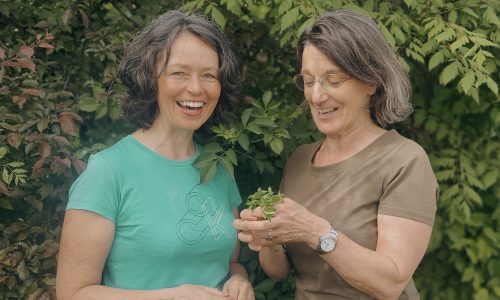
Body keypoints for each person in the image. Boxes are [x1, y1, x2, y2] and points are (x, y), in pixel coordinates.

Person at [234, 9, 438, 300]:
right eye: (308, 80)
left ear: (371, 82)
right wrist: (268, 237)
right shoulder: (300, 159)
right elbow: (279, 271)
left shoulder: (404, 161)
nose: (316, 96)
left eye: (334, 80)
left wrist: (313, 230)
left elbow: (390, 283)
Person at [56, 10, 254, 300]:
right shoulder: (109, 171)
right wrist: (171, 297)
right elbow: (72, 294)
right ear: (150, 78)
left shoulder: (218, 167)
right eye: (179, 73)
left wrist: (240, 281)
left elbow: (230, 263)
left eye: (209, 75)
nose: (196, 88)